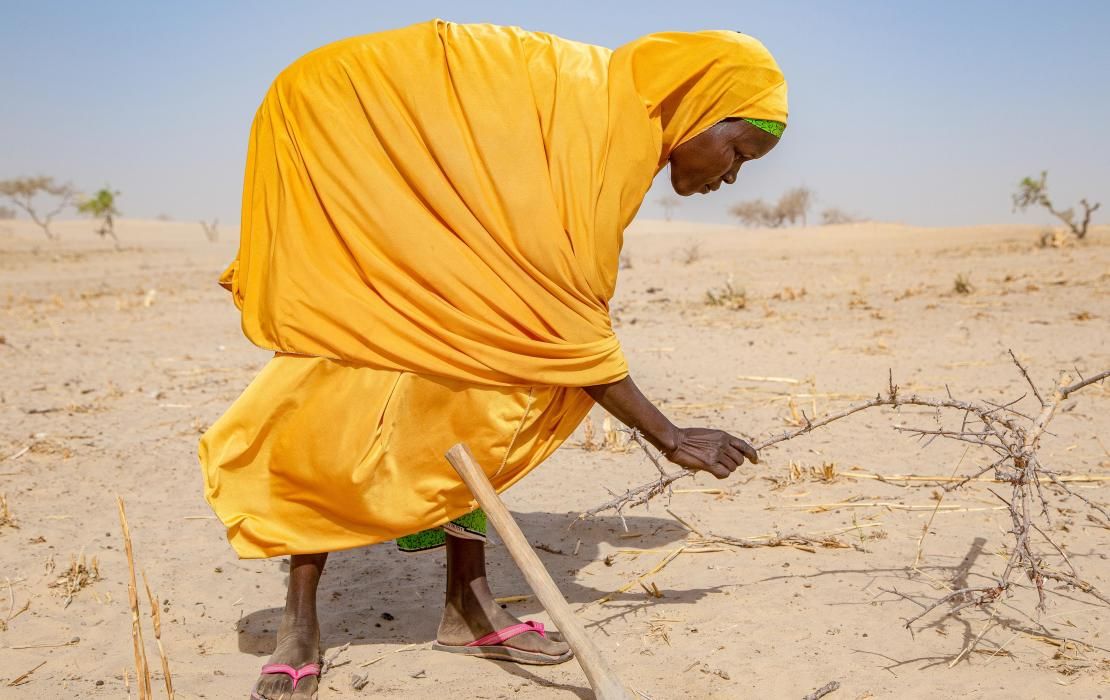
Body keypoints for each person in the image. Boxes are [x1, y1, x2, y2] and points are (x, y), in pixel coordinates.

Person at [199, 18, 787, 700]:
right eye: (738, 150)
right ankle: (299, 623)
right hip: (351, 146)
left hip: (442, 232)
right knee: (339, 388)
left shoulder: (616, 132)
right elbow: (563, 316)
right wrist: (667, 433)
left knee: (485, 393)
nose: (733, 173)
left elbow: (544, 306)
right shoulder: (599, 122)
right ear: (701, 108)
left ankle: (468, 605)